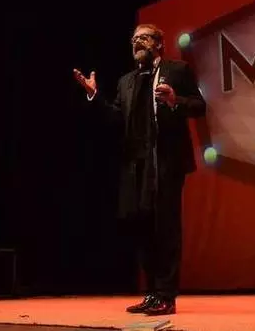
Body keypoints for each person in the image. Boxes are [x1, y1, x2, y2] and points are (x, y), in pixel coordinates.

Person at [73, 23, 206, 316]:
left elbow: (200, 106)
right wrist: (95, 97)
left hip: (165, 160)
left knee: (165, 228)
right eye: (134, 39)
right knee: (142, 227)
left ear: (159, 44)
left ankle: (166, 296)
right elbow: (115, 119)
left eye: (143, 38)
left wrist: (175, 100)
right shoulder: (126, 81)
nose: (137, 43)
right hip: (135, 164)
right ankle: (152, 293)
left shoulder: (177, 70)